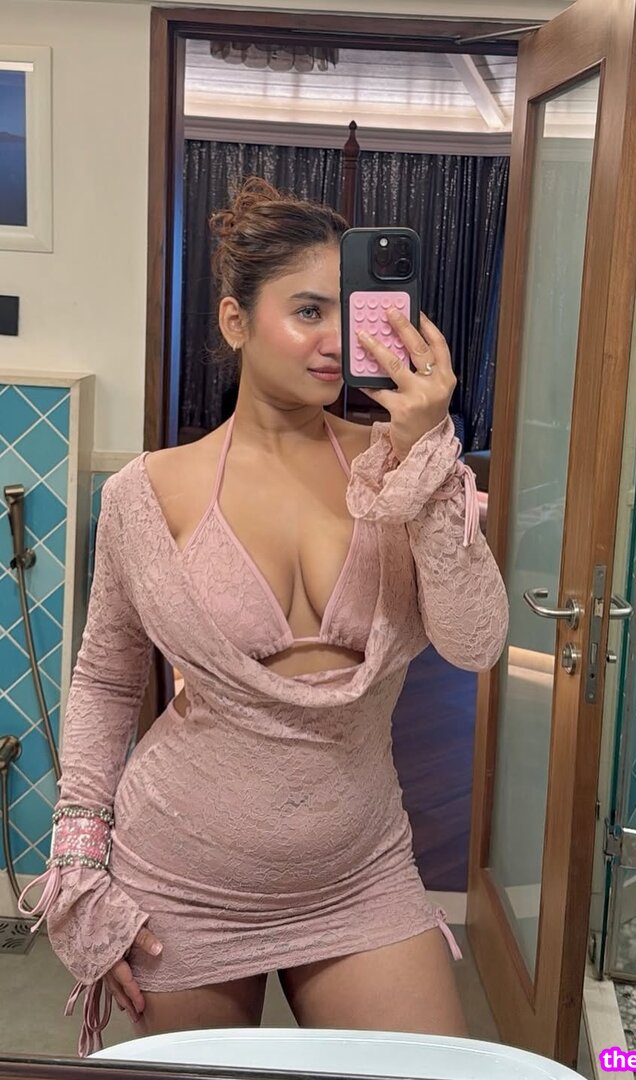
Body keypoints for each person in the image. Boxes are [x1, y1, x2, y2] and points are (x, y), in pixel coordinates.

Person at [21, 178, 509, 1056]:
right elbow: (105, 681)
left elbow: (475, 644)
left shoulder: (407, 470)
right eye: (308, 311)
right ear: (235, 321)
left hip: (361, 877)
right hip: (182, 883)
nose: (336, 341)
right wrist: (80, 867)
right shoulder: (145, 493)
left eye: (352, 314)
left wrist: (430, 454)